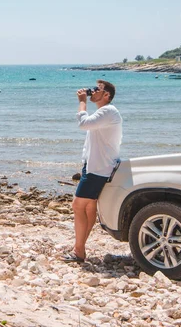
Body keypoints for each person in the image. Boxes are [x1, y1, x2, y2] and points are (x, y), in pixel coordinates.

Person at [62, 79, 123, 263]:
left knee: (77, 205)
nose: (93, 91)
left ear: (107, 95)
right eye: (94, 88)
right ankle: (79, 247)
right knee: (88, 206)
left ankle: (79, 250)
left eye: (99, 89)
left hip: (99, 168)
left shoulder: (108, 111)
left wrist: (82, 101)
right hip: (95, 166)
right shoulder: (104, 113)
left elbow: (83, 123)